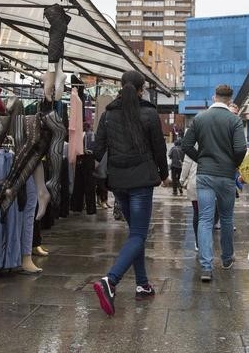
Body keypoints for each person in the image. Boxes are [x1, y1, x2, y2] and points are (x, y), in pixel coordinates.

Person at [92, 70, 169, 316]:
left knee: (135, 234)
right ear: (140, 89)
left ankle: (142, 284)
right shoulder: (149, 113)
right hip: (141, 180)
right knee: (138, 233)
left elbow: (97, 149)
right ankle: (110, 281)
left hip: (118, 181)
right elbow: (159, 148)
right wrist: (164, 174)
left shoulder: (107, 115)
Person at [181, 84, 247, 282]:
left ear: (214, 97)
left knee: (205, 219)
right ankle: (227, 259)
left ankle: (206, 267)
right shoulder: (234, 120)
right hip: (226, 176)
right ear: (230, 98)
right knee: (226, 218)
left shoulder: (200, 118)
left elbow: (186, 145)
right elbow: (241, 149)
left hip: (204, 175)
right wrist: (232, 164)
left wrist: (201, 158)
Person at [179, 151, 198, 250]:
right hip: (211, 181)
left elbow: (187, 163)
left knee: (197, 213)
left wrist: (182, 180)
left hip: (195, 182)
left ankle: (198, 242)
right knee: (207, 216)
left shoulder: (193, 145)